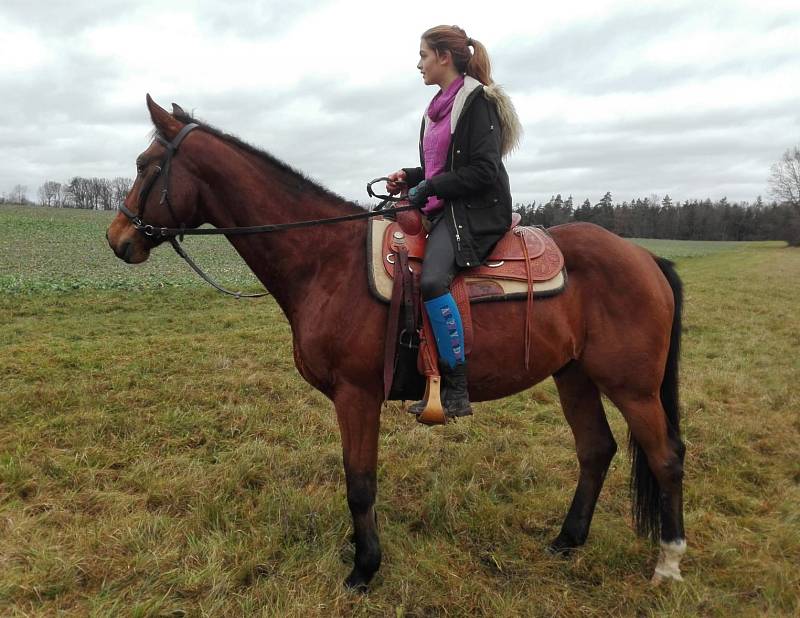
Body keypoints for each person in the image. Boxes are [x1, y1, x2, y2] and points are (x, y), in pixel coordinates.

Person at [386, 25, 522, 418]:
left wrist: (428, 186)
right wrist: (411, 178)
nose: (419, 64)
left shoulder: (478, 102)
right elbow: (441, 166)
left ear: (444, 57)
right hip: (443, 205)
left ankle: (457, 384)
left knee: (431, 280)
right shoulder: (436, 109)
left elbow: (483, 170)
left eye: (424, 55)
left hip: (475, 211)